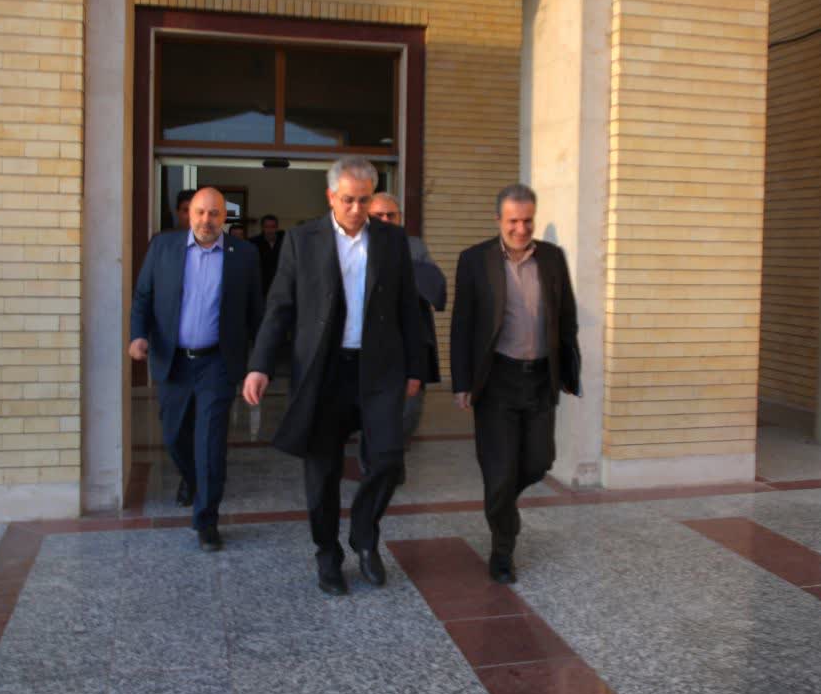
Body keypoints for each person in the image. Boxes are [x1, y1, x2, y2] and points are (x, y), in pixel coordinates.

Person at [243, 158, 424, 596]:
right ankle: (327, 554)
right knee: (322, 472)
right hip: (323, 373)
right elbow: (280, 306)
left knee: (387, 460)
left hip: (378, 369)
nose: (357, 209)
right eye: (348, 200)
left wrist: (417, 368)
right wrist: (259, 364)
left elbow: (408, 307)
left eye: (364, 200)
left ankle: (364, 533)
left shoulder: (392, 240)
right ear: (330, 197)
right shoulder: (302, 240)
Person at [449, 183, 580, 584]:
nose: (521, 229)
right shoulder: (475, 260)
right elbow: (462, 324)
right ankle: (502, 549)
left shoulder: (552, 258)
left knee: (539, 461)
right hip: (497, 380)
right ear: (498, 220)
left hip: (539, 379)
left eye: (527, 221)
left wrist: (570, 371)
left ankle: (502, 501)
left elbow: (566, 317)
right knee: (499, 471)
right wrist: (462, 382)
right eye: (512, 222)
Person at [130, 187, 263, 551]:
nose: (207, 220)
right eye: (200, 212)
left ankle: (206, 520)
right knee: (174, 436)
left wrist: (259, 364)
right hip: (173, 361)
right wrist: (138, 335)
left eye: (215, 213)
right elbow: (143, 296)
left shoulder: (244, 255)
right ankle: (193, 479)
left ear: (225, 217)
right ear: (189, 215)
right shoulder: (163, 247)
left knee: (210, 444)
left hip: (217, 363)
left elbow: (256, 311)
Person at [367, 193, 446, 477]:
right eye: (379, 215)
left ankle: (394, 457)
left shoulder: (415, 246)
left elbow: (434, 286)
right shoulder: (355, 247)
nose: (386, 220)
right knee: (372, 413)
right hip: (369, 347)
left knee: (409, 411)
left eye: (391, 215)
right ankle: (375, 464)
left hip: (410, 343)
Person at [249, 214, 285, 297]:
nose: (270, 230)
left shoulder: (284, 242)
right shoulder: (253, 243)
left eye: (273, 227)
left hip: (280, 286)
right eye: (267, 227)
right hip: (261, 287)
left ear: (277, 228)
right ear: (262, 228)